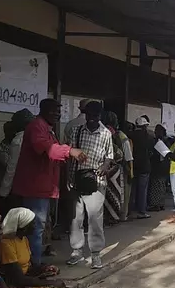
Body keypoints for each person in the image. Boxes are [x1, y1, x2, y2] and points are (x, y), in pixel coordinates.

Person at [0, 208, 123, 288]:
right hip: (15, 287)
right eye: (31, 224)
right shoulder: (7, 244)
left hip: (25, 279)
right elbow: (18, 279)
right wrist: (48, 283)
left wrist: (44, 268)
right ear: (22, 227)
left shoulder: (23, 239)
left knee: (60, 286)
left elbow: (29, 267)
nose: (34, 226)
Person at [14, 99, 87, 267]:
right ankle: (34, 266)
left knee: (39, 227)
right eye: (53, 111)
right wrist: (69, 151)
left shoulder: (48, 129)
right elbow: (45, 148)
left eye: (58, 111)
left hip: (45, 187)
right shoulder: (36, 126)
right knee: (35, 227)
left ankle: (34, 261)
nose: (57, 114)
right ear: (43, 110)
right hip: (35, 187)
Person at [66, 101, 114, 269]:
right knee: (76, 219)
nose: (92, 119)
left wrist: (105, 166)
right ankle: (77, 251)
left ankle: (95, 254)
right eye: (90, 116)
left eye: (96, 116)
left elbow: (109, 155)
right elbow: (69, 154)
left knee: (94, 219)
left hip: (97, 182)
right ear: (85, 115)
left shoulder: (106, 134)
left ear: (100, 116)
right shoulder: (76, 131)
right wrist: (69, 180)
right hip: (77, 181)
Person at [0, 110, 34, 216]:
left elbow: (12, 169)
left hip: (22, 188)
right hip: (39, 188)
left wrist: (3, 193)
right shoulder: (39, 136)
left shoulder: (19, 140)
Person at [102, 112, 127, 226]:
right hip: (111, 168)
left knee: (110, 194)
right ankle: (112, 217)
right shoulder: (111, 132)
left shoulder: (108, 130)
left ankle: (111, 217)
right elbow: (116, 151)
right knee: (113, 194)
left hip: (110, 168)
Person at [130, 116, 154, 220]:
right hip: (144, 166)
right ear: (144, 126)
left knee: (132, 189)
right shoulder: (148, 136)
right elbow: (152, 149)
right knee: (142, 190)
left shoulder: (130, 135)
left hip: (133, 166)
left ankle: (130, 210)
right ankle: (141, 211)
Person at [148, 125, 170, 212]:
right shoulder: (167, 141)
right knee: (162, 186)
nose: (155, 132)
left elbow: (157, 155)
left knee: (156, 185)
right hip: (164, 166)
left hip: (158, 166)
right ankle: (161, 204)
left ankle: (155, 205)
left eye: (157, 131)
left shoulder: (158, 142)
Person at [0, 121, 16, 193]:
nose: (15, 134)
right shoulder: (1, 148)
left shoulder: (14, 145)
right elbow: (10, 165)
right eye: (12, 131)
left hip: (11, 184)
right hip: (3, 185)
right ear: (6, 132)